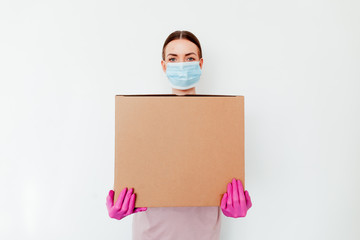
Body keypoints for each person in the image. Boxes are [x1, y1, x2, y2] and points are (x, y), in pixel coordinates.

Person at [106, 30, 252, 240]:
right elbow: (132, 174)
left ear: (200, 64)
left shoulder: (221, 121)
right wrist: (119, 204)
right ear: (164, 66)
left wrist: (234, 204)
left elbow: (226, 176)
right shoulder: (140, 118)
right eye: (173, 59)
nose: (181, 65)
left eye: (189, 58)